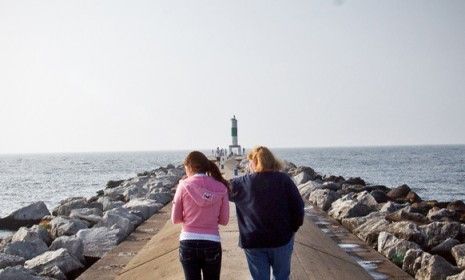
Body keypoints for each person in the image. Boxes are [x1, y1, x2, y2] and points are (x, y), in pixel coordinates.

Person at [229, 146, 304, 280]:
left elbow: (220, 188)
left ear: (254, 162)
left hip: (253, 240)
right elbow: (298, 207)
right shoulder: (284, 180)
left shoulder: (241, 183)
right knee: (281, 277)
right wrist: (293, 228)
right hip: (281, 238)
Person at [171, 151, 230, 280]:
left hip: (188, 241)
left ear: (190, 167)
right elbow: (224, 220)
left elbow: (175, 219)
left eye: (185, 168)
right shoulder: (221, 187)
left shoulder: (183, 186)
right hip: (212, 242)